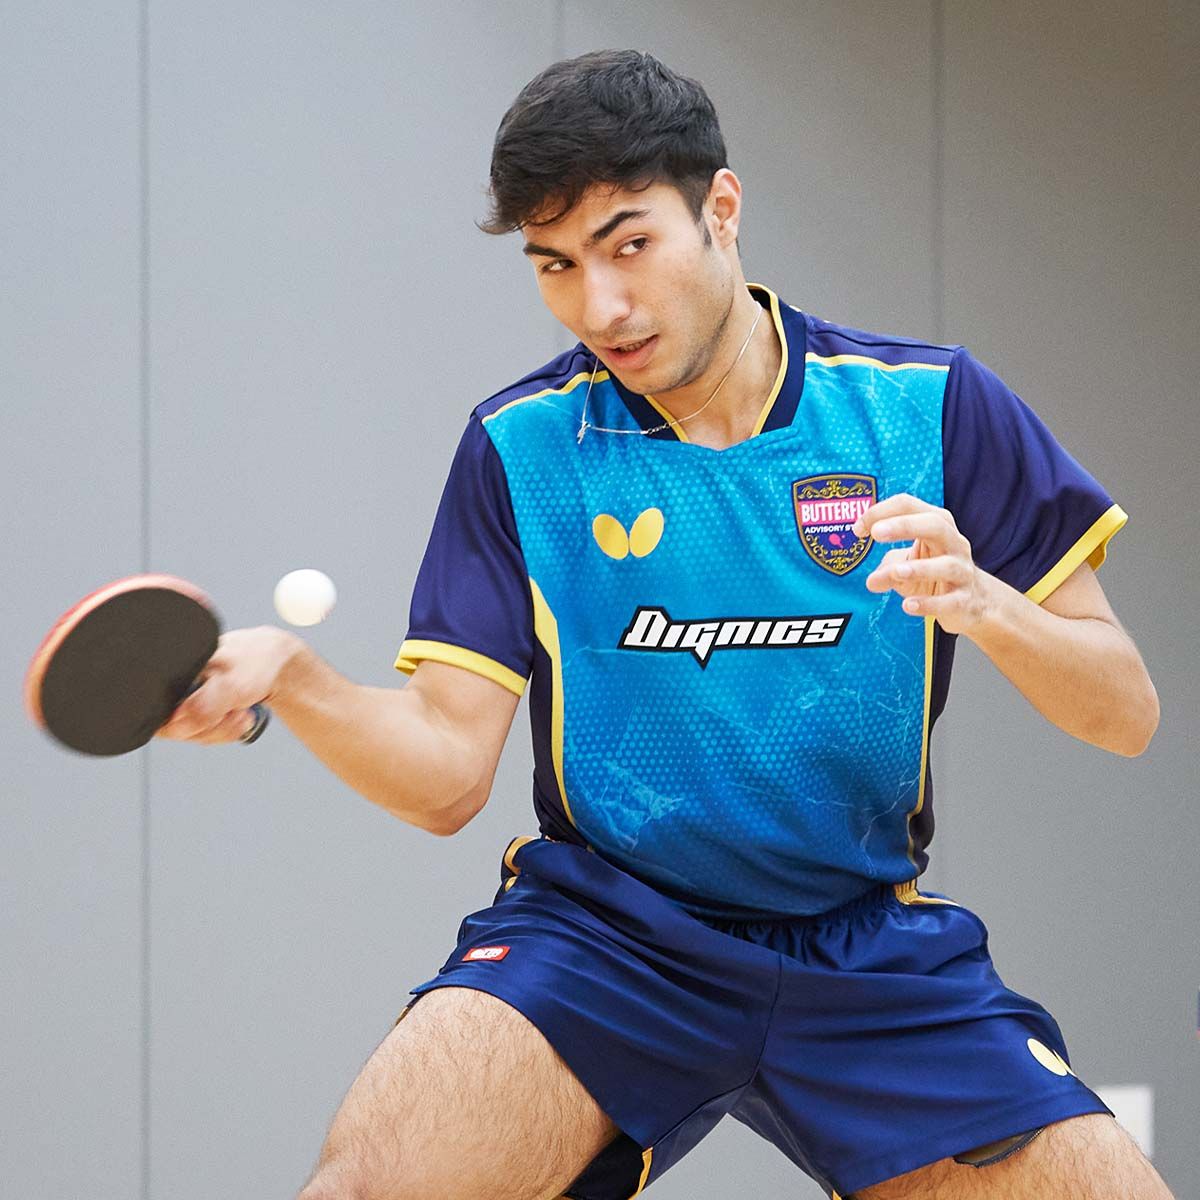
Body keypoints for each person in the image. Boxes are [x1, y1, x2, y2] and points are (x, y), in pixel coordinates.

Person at [160, 49, 1171, 1200]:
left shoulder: (929, 408)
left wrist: (990, 605)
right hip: (608, 938)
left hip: (867, 953)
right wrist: (294, 678)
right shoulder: (523, 450)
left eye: (629, 244)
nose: (601, 306)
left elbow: (1125, 713)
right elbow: (444, 776)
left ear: (720, 210)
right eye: (556, 264)